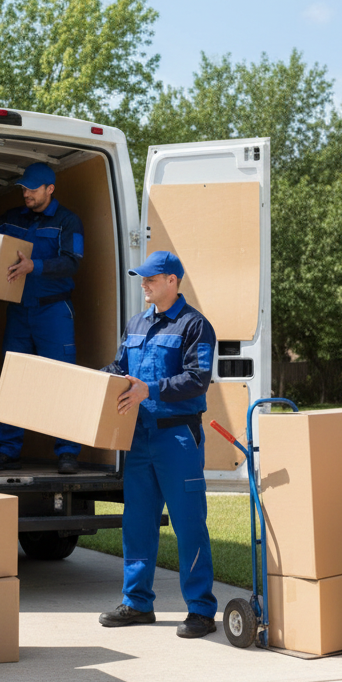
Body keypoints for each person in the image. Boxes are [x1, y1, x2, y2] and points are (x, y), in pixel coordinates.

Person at [97, 250, 219, 638]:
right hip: (139, 438)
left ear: (172, 280)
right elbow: (120, 369)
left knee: (188, 523)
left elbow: (198, 379)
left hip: (178, 438)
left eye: (151, 278)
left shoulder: (194, 326)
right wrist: (95, 380)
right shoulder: (136, 323)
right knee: (137, 522)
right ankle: (136, 603)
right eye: (142, 278)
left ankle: (200, 610)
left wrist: (152, 389)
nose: (144, 284)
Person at [0, 162, 85, 475]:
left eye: (32, 189)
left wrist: (34, 267)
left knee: (62, 380)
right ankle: (7, 452)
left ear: (50, 189)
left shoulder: (68, 221)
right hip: (19, 311)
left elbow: (71, 262)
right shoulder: (13, 218)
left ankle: (67, 453)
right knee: (14, 381)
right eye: (24, 188)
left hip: (53, 311)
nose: (26, 194)